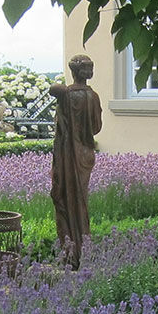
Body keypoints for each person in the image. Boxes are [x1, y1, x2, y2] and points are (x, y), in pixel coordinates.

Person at [49, 54, 103, 269]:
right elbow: (97, 127)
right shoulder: (94, 96)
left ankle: (71, 251)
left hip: (67, 155)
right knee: (80, 201)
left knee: (65, 198)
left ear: (72, 72)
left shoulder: (66, 94)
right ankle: (83, 250)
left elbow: (53, 88)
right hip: (85, 154)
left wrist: (67, 91)